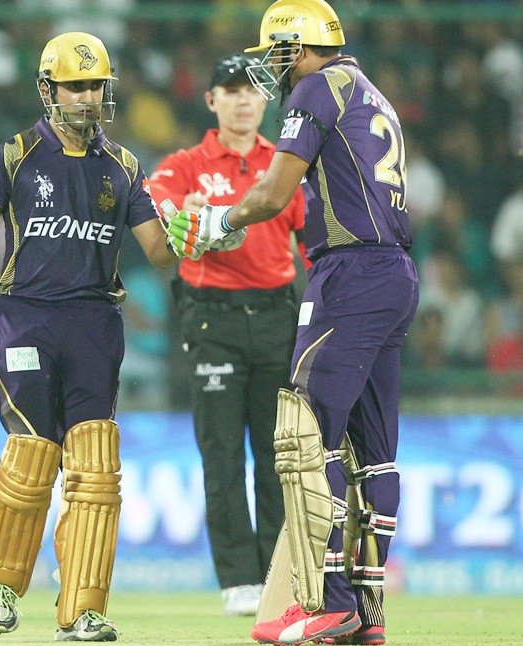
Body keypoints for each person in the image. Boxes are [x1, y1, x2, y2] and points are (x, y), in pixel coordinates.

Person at [0, 32, 205, 643]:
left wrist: (197, 232)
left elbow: (157, 251)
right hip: (27, 318)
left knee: (98, 469)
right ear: (48, 91)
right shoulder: (15, 155)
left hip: (96, 325)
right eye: (75, 87)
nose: (88, 98)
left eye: (96, 85)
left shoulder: (123, 167)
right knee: (30, 456)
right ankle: (0, 588)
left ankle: (81, 611)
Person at [173, 1, 419, 644]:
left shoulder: (314, 86)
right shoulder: (370, 92)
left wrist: (217, 222)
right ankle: (366, 616)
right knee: (375, 453)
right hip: (393, 273)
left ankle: (328, 602)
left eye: (276, 53)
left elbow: (276, 193)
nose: (271, 70)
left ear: (297, 47)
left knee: (304, 435)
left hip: (351, 274)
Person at [148, 53, 308, 617]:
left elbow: (312, 241)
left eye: (252, 91)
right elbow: (154, 201)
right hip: (211, 320)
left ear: (266, 101)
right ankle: (239, 580)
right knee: (220, 454)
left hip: (276, 320)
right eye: (230, 90)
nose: (243, 99)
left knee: (276, 456)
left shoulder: (286, 164)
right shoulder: (187, 164)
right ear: (211, 100)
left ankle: (275, 576)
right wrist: (179, 212)